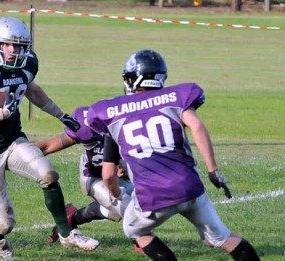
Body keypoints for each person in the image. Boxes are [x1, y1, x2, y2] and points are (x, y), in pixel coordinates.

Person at [87, 49, 260, 260]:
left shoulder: (112, 112)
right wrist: (213, 170)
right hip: (190, 187)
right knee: (222, 237)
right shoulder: (175, 97)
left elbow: (107, 175)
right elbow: (196, 125)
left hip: (152, 195)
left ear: (133, 79)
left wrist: (114, 195)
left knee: (134, 230)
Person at [0, 16, 99, 259]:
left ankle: (67, 234)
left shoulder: (27, 64)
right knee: (5, 222)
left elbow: (30, 88)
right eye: (7, 45)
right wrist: (1, 113)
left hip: (12, 141)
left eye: (19, 46)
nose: (13, 51)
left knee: (48, 174)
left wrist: (60, 114)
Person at [34, 106, 133, 244]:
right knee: (129, 209)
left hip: (122, 177)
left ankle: (71, 218)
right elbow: (47, 146)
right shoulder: (86, 125)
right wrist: (15, 154)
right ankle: (143, 244)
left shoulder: (136, 129)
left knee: (116, 211)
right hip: (93, 175)